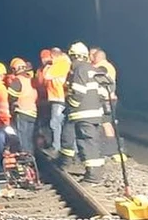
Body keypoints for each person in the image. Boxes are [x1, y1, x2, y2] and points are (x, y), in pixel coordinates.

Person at [59, 41, 105, 183]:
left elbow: (78, 93)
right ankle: (95, 173)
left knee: (85, 143)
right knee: (92, 143)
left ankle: (93, 177)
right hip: (95, 113)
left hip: (82, 113)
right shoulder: (93, 69)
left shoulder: (79, 70)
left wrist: (71, 106)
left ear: (73, 56)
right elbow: (103, 92)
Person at [6, 57, 38, 154]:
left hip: (22, 112)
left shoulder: (18, 80)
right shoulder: (30, 80)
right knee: (29, 139)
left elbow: (11, 97)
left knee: (22, 139)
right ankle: (31, 158)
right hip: (33, 113)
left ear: (14, 69)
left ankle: (25, 161)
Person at [42, 47, 70, 153]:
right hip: (59, 97)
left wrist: (49, 64)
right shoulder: (62, 62)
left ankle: (56, 147)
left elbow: (47, 75)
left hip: (59, 97)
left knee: (55, 123)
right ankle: (62, 147)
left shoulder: (61, 63)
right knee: (60, 123)